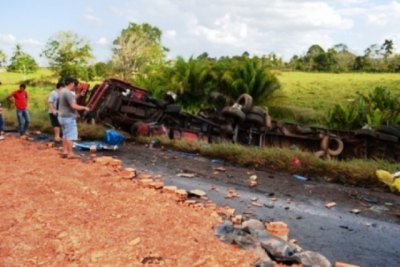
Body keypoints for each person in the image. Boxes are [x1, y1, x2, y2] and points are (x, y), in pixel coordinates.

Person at [58, 77, 90, 159]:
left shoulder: (62, 91)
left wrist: (79, 94)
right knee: (70, 136)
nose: (75, 87)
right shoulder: (68, 93)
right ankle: (70, 153)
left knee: (65, 134)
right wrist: (84, 107)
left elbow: (70, 100)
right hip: (68, 118)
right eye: (75, 85)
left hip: (61, 117)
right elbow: (73, 105)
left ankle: (65, 151)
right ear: (71, 83)